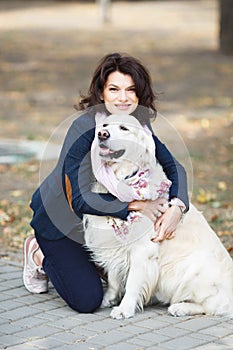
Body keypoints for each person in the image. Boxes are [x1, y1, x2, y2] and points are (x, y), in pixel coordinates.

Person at [23, 52, 189, 313]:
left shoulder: (136, 125)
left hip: (102, 222)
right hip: (63, 219)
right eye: (114, 89)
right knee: (87, 301)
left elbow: (174, 166)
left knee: (121, 275)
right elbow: (78, 199)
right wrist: (137, 205)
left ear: (139, 95)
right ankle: (38, 254)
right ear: (101, 93)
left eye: (131, 90)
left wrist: (177, 207)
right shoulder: (84, 129)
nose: (123, 98)